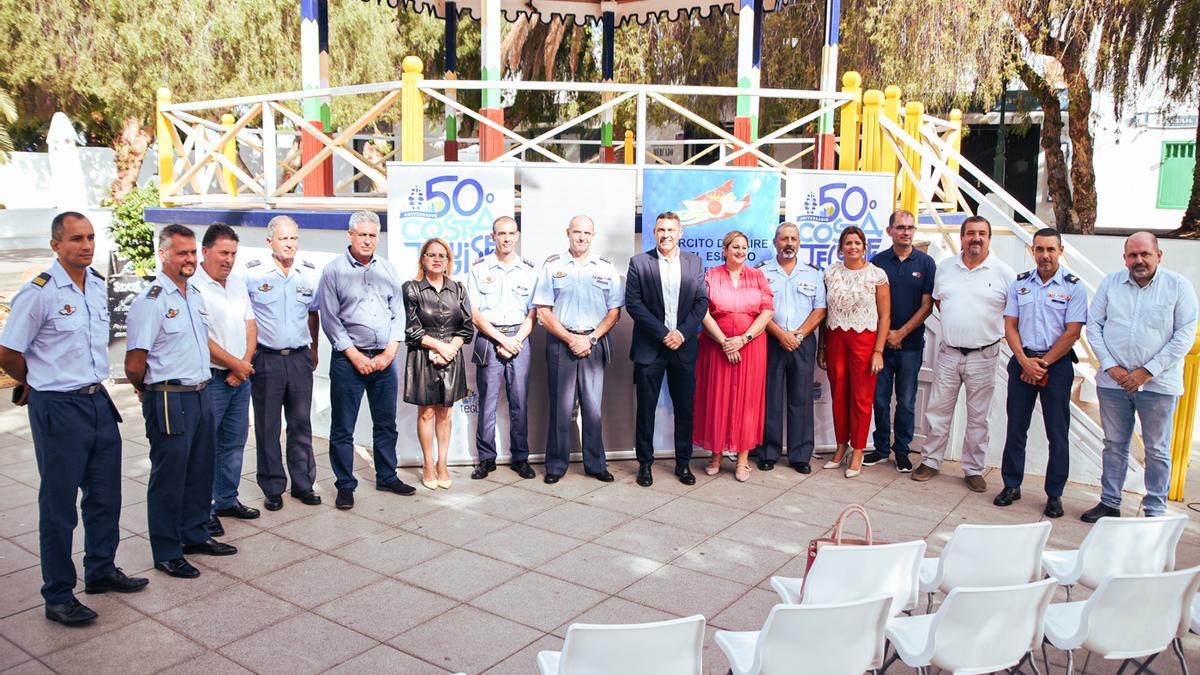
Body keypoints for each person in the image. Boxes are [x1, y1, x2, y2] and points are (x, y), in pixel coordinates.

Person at [0, 212, 148, 626]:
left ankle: (100, 570)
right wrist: (37, 381)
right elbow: (8, 351)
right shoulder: (40, 293)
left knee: (105, 496)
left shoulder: (96, 286)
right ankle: (59, 594)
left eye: (90, 238)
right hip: (58, 407)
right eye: (75, 239)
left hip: (97, 400)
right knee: (59, 505)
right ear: (56, 246)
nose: (85, 246)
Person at [126, 224, 238, 580]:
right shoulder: (152, 300)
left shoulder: (193, 295)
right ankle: (167, 550)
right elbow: (134, 363)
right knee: (169, 476)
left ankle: (193, 534)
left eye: (192, 252)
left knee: (200, 470)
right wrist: (150, 389)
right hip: (169, 397)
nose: (189, 259)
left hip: (201, 392)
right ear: (163, 255)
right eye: (182, 253)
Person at [1082, 232, 1198, 521]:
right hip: (1113, 383)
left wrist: (1146, 372)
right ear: (1125, 258)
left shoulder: (1178, 287)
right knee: (1114, 444)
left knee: (1157, 448)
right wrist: (1112, 367)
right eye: (1133, 255)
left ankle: (1154, 508)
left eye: (1145, 254)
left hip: (1158, 385)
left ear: (1159, 255)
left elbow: (1184, 334)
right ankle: (1110, 502)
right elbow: (1094, 326)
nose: (1139, 260)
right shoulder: (1111, 284)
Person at [317, 210, 416, 509]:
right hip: (349, 361)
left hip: (384, 361)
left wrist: (389, 352)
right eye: (362, 235)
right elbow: (330, 319)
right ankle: (345, 484)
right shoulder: (333, 271)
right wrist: (354, 355)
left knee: (386, 423)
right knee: (342, 427)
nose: (368, 240)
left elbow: (398, 314)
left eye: (373, 235)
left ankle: (387, 475)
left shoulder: (387, 269)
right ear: (350, 235)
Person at [912, 215, 1015, 491]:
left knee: (978, 417)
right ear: (962, 237)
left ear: (989, 238)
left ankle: (973, 469)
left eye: (982, 233)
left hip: (984, 355)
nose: (976, 238)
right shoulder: (945, 268)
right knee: (937, 411)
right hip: (949, 353)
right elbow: (937, 302)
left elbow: (1013, 315)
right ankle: (930, 461)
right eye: (971, 233)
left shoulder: (1004, 273)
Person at [994, 229, 1087, 518]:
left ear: (1061, 251)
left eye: (1050, 249)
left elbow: (1072, 333)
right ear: (1032, 251)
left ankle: (1054, 494)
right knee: (1016, 428)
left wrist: (1042, 364)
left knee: (1057, 433)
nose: (1044, 255)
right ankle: (1011, 485)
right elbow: (1010, 325)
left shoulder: (1074, 287)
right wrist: (1023, 361)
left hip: (1055, 366)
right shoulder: (1020, 284)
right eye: (1039, 249)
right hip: (1023, 361)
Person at [533, 214, 624, 484]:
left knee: (593, 409)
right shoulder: (553, 266)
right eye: (577, 232)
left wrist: (590, 338)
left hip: (593, 344)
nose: (581, 237)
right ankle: (557, 465)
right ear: (568, 233)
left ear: (593, 236)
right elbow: (543, 312)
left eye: (586, 233)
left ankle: (596, 464)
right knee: (561, 408)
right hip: (561, 344)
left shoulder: (605, 268)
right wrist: (570, 338)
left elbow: (615, 312)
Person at [624, 211, 708, 487]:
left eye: (671, 230)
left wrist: (682, 334)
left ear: (680, 232)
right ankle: (645, 464)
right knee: (646, 410)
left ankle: (683, 463)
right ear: (654, 232)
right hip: (651, 348)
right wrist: (664, 334)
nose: (666, 235)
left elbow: (701, 303)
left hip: (683, 348)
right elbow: (634, 304)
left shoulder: (694, 263)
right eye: (661, 229)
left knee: (685, 408)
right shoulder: (639, 263)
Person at [244, 215, 322, 512]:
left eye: (293, 239)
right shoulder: (253, 274)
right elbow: (245, 317)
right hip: (266, 359)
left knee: (301, 423)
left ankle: (303, 484)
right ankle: (273, 486)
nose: (289, 244)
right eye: (283, 239)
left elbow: (313, 313)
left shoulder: (308, 273)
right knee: (267, 425)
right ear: (270, 242)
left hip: (300, 357)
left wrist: (313, 349)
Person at [193, 224, 260, 537]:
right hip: (212, 379)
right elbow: (201, 338)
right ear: (205, 252)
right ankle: (201, 508)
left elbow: (250, 325)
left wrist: (243, 364)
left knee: (234, 442)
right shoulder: (193, 286)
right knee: (206, 446)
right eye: (223, 252)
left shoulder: (236, 283)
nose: (229, 259)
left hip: (239, 376)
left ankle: (227, 499)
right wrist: (236, 365)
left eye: (233, 253)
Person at [693, 230, 774, 482]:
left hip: (751, 347)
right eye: (735, 247)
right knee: (717, 397)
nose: (740, 251)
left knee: (747, 401)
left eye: (744, 247)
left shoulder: (758, 276)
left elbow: (767, 312)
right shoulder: (711, 276)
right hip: (716, 346)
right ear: (725, 250)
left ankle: (742, 460)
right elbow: (703, 312)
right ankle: (715, 455)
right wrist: (725, 343)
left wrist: (742, 339)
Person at [466, 216, 538, 481]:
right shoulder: (478, 268)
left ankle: (520, 458)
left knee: (519, 402)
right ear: (492, 236)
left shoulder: (529, 270)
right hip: (489, 339)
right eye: (501, 233)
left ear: (517, 236)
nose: (506, 238)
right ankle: (486, 459)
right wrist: (501, 340)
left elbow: (534, 312)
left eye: (511, 233)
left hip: (519, 338)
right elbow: (474, 313)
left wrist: (515, 340)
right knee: (487, 403)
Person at [403, 238, 475, 489]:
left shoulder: (459, 289)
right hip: (423, 356)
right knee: (427, 412)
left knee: (445, 412)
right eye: (431, 254)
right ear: (423, 259)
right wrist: (438, 347)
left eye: (442, 255)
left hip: (451, 356)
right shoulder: (411, 288)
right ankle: (427, 463)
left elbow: (466, 328)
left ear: (448, 261)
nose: (437, 259)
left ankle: (443, 463)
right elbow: (411, 330)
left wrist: (450, 348)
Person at [866, 210, 935, 473]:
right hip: (880, 346)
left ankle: (902, 451)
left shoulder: (926, 263)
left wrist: (900, 333)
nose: (906, 232)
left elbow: (927, 306)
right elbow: (871, 303)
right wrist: (885, 338)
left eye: (910, 228)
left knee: (906, 401)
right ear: (889, 231)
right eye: (901, 227)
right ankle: (881, 449)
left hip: (910, 345)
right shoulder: (878, 262)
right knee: (880, 399)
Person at [819, 226, 890, 479]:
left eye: (857, 243)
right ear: (841, 247)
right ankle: (840, 446)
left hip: (865, 339)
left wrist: (878, 351)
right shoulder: (830, 274)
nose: (852, 247)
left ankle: (858, 449)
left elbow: (884, 316)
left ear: (864, 246)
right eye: (848, 243)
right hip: (836, 338)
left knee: (861, 398)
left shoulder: (876, 275)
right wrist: (822, 347)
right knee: (839, 394)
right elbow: (823, 313)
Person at [756, 223, 826, 474]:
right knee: (770, 399)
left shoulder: (813, 273)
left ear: (799, 242)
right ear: (775, 242)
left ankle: (800, 455)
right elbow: (758, 310)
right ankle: (767, 452)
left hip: (802, 342)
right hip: (771, 340)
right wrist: (781, 335)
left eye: (793, 239)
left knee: (802, 399)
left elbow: (820, 309)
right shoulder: (762, 272)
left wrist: (798, 334)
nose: (789, 243)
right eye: (784, 239)